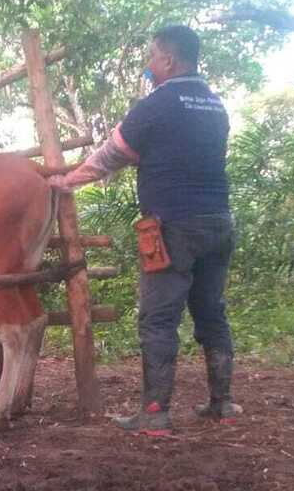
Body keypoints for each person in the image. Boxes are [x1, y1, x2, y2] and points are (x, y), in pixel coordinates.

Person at [50, 25, 240, 435]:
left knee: (157, 318)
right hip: (219, 221)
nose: (149, 65)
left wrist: (67, 181)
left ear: (169, 60)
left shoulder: (158, 104)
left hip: (173, 225)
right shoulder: (214, 104)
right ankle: (222, 403)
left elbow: (112, 155)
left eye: (153, 57)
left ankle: (154, 412)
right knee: (211, 310)